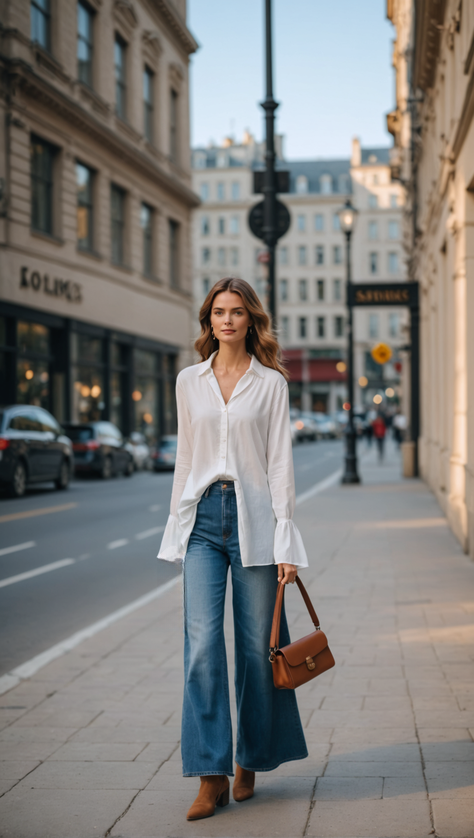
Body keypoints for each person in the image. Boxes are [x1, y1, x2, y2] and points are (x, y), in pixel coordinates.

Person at [158, 277, 309, 821]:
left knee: (254, 651)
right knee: (201, 647)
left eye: (236, 312)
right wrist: (176, 529)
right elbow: (184, 459)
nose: (226, 320)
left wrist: (286, 537)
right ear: (209, 320)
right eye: (218, 312)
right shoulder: (188, 381)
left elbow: (279, 465)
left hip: (254, 522)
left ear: (251, 320)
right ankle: (210, 774)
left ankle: (250, 758)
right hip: (203, 521)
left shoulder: (271, 384)